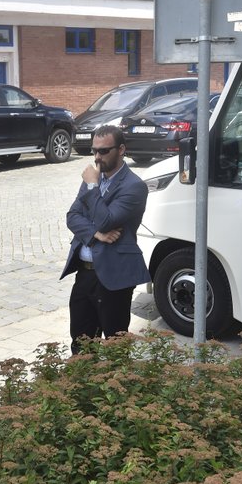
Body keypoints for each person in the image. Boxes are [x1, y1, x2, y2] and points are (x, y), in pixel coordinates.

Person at [60, 124, 150, 354]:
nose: (97, 157)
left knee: (115, 347)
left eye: (104, 151)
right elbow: (72, 216)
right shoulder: (95, 178)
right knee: (81, 342)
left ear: (121, 149)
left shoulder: (134, 186)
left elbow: (107, 221)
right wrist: (96, 234)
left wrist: (92, 186)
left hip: (114, 275)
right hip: (85, 273)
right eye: (94, 151)